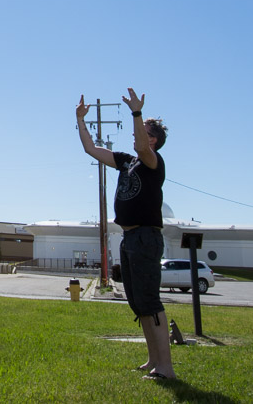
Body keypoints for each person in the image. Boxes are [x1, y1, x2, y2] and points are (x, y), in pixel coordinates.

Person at [76, 88, 175, 380]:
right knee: (138, 303)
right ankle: (153, 360)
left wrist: (136, 112)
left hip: (146, 237)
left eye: (143, 132)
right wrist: (80, 120)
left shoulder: (153, 161)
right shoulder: (126, 161)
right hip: (130, 237)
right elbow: (91, 149)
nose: (136, 136)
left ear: (153, 139)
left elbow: (143, 149)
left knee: (150, 301)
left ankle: (166, 368)